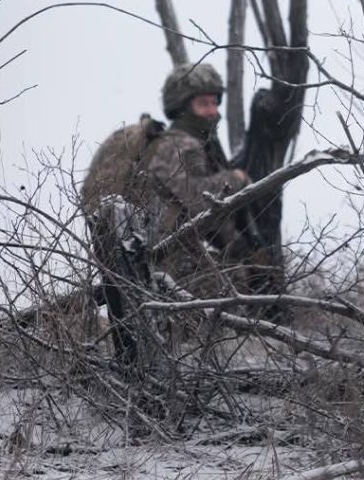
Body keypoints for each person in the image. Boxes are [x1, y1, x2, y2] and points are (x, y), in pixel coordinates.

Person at [82, 61, 253, 363]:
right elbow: (196, 197)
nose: (212, 111)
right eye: (203, 104)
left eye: (215, 103)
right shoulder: (179, 144)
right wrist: (236, 180)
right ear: (181, 105)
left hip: (141, 253)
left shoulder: (162, 145)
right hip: (159, 255)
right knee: (227, 294)